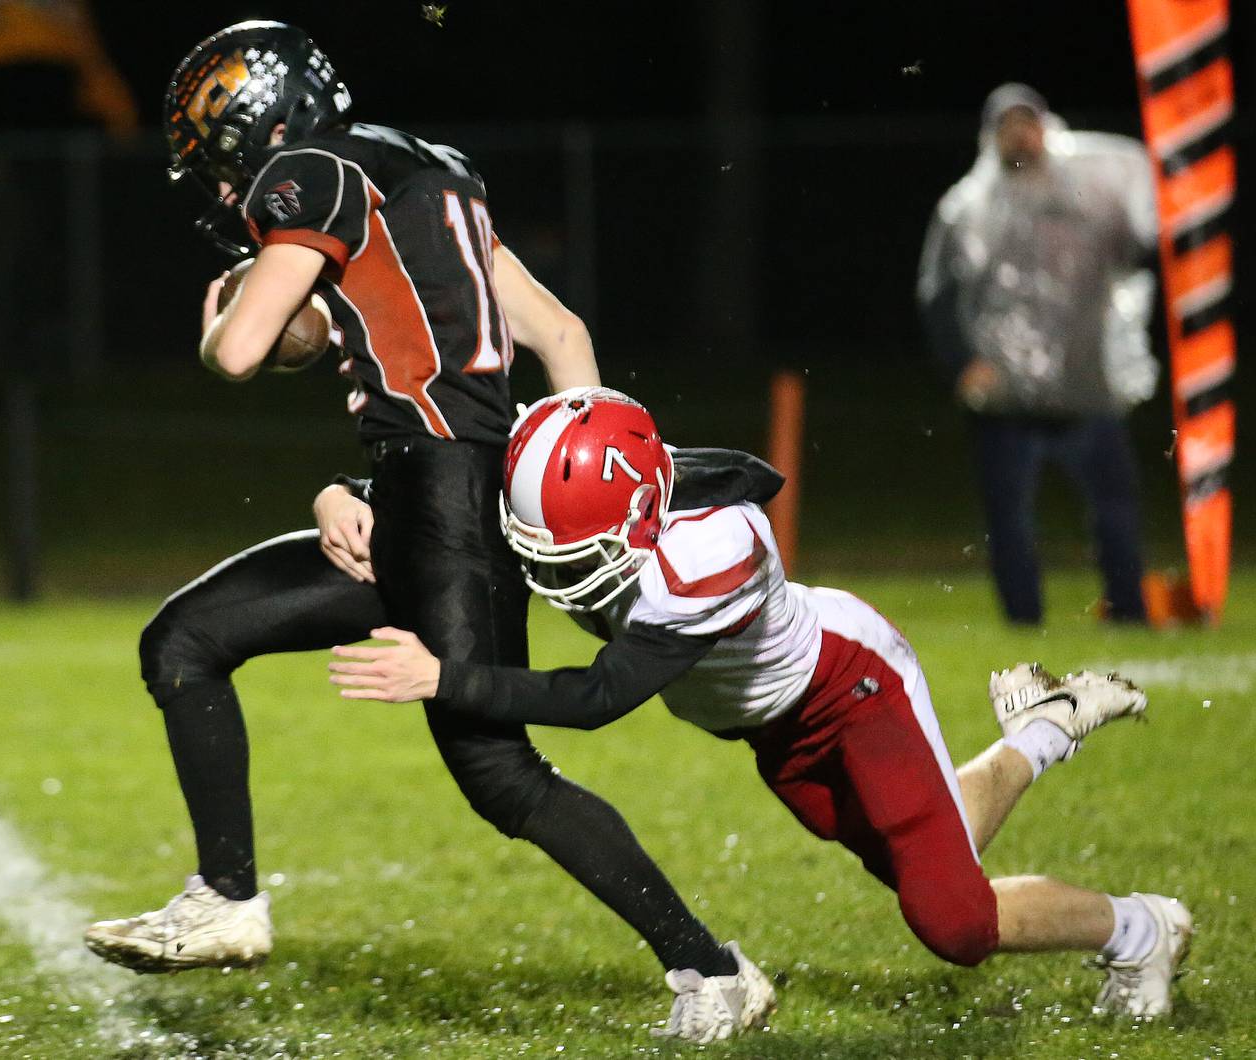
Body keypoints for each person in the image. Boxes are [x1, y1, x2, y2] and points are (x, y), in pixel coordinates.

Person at [84, 22, 772, 1044]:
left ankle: (712, 968)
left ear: (257, 123)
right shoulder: (422, 171)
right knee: (185, 640)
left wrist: (219, 317)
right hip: (426, 493)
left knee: (499, 773)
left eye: (218, 148)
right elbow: (559, 336)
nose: (222, 179)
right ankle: (225, 897)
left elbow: (240, 350)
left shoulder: (308, 175)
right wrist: (541, 485)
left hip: (441, 502)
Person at [330, 388, 1194, 1021]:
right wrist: (342, 496)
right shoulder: (556, 471)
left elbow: (599, 697)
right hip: (769, 729)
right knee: (933, 852)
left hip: (849, 694)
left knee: (954, 919)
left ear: (637, 514)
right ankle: (1044, 727)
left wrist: (443, 677)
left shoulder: (713, 550)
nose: (553, 574)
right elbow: (438, 468)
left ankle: (1140, 929)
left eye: (573, 552)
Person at [917, 83, 1160, 625]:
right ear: (991, 137)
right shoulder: (968, 209)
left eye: (1029, 122)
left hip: (1086, 388)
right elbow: (937, 294)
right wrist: (962, 365)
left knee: (1117, 513)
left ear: (1048, 126)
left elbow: (1138, 254)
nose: (1021, 134)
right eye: (1009, 125)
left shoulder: (1093, 194)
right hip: (1005, 402)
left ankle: (1130, 612)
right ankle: (1024, 624)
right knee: (1009, 521)